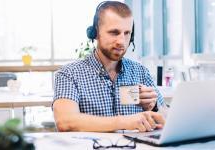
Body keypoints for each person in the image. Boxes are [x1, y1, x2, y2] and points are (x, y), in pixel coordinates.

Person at [53, 1, 165, 132]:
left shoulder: (140, 72)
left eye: (127, 33)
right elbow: (65, 121)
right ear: (95, 33)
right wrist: (125, 122)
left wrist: (154, 106)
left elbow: (167, 116)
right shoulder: (69, 74)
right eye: (114, 32)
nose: (122, 41)